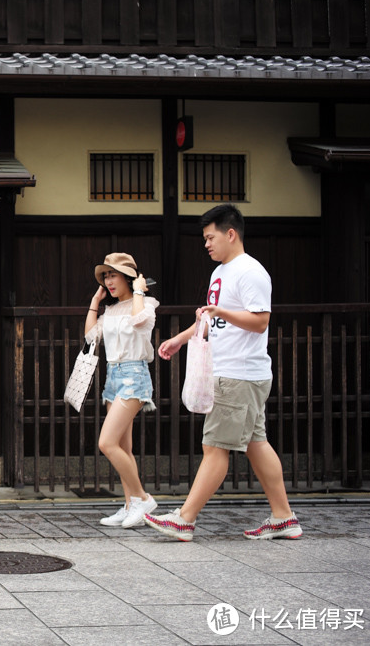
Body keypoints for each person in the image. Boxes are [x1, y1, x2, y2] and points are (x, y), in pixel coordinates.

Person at [146, 204, 301, 542]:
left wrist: (222, 312)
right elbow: (211, 319)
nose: (206, 244)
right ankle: (283, 518)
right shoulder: (221, 273)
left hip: (238, 373)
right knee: (257, 444)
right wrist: (180, 339)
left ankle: (184, 519)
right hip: (238, 373)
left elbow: (260, 321)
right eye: (204, 238)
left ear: (231, 234)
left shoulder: (250, 271)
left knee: (215, 447)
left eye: (210, 237)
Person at [86, 253, 159, 529]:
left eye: (113, 275)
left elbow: (140, 320)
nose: (109, 281)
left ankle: (142, 499)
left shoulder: (146, 303)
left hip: (133, 375)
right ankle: (130, 506)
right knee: (124, 448)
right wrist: (95, 303)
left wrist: (139, 290)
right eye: (106, 276)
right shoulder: (111, 310)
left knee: (107, 443)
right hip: (113, 376)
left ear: (129, 277)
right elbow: (91, 337)